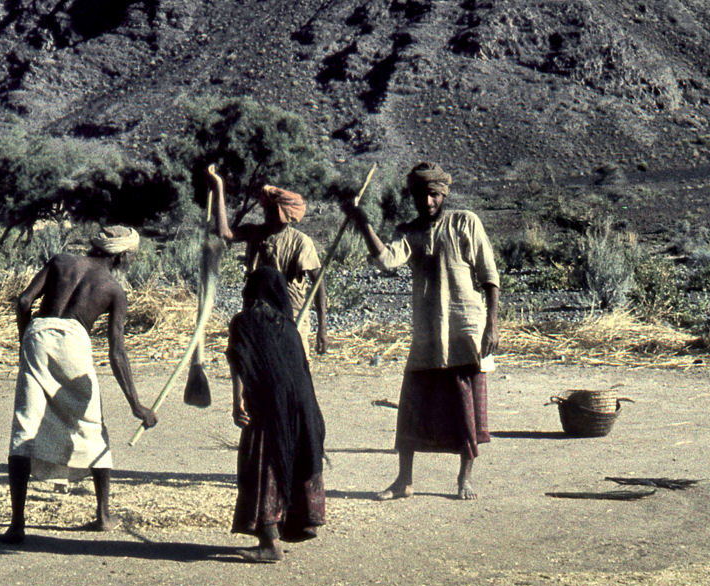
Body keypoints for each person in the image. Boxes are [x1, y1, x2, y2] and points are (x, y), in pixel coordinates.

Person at [344, 161, 500, 500]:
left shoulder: (464, 222)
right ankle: (404, 481)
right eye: (420, 196)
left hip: (464, 328)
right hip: (427, 334)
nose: (427, 202)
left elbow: (489, 274)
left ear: (443, 194)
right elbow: (386, 260)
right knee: (412, 406)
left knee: (465, 408)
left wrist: (492, 324)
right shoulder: (408, 231)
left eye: (433, 195)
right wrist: (362, 222)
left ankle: (464, 480)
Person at [1, 225, 157, 543]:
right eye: (131, 257)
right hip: (75, 341)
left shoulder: (60, 261)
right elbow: (117, 353)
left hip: (38, 336)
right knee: (91, 424)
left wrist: (25, 342)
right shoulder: (113, 289)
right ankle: (102, 515)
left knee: (25, 427)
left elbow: (23, 302)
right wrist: (136, 405)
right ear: (122, 255)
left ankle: (17, 524)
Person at [226, 267, 326, 561]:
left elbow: (239, 362)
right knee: (288, 458)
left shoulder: (243, 322)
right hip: (302, 408)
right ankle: (288, 527)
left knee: (263, 464)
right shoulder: (290, 328)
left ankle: (270, 542)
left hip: (269, 407)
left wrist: (237, 401)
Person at [208, 171, 330, 356]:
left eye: (273, 211)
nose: (267, 214)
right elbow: (224, 233)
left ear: (285, 215)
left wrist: (322, 328)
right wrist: (219, 187)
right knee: (258, 370)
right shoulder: (254, 232)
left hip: (291, 316)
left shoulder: (301, 243)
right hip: (257, 313)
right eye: (267, 210)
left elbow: (318, 284)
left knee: (293, 371)